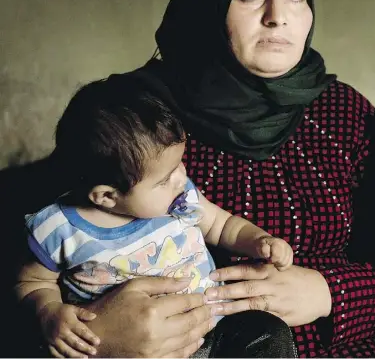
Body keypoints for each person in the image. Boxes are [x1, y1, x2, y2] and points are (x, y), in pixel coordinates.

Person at [49, 0, 375, 358]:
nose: (278, 15)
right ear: (209, 6)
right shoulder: (132, 114)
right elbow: (50, 244)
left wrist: (330, 292)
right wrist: (101, 335)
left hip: (336, 349)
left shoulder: (345, 113)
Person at [16, 75, 294, 358]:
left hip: (216, 327)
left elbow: (222, 226)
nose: (181, 178)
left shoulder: (180, 198)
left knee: (268, 332)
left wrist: (259, 240)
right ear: (107, 196)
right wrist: (49, 312)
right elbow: (32, 282)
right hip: (138, 346)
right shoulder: (58, 229)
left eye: (179, 164)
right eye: (164, 179)